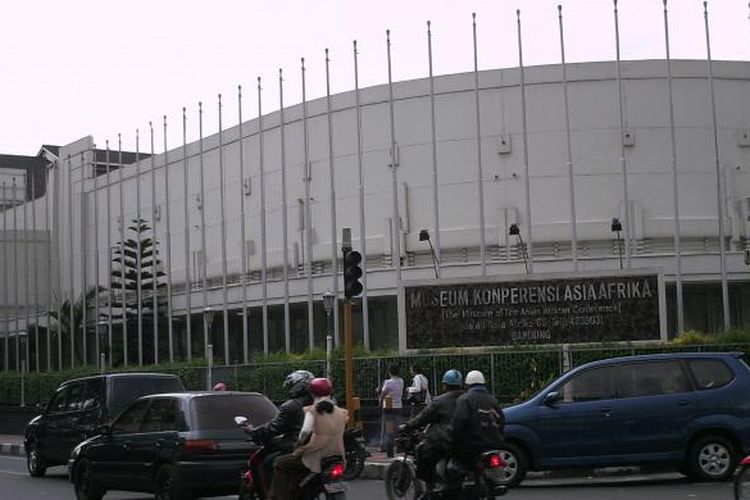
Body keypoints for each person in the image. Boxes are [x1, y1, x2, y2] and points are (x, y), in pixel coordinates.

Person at [269, 377, 348, 500]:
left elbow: (305, 431)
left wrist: (299, 443)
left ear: (312, 393)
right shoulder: (341, 412)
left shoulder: (312, 410)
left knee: (279, 463)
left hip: (316, 454)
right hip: (338, 454)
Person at [241, 369, 314, 483]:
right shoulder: (324, 403)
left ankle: (275, 494)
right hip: (320, 447)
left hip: (295, 446)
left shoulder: (291, 406)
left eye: (291, 385)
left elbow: (274, 428)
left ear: (298, 385)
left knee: (268, 462)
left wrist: (254, 432)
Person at [399, 369, 464, 488]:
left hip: (445, 440)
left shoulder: (440, 401)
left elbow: (423, 418)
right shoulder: (467, 398)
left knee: (423, 451)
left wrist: (407, 426)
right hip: (465, 440)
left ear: (445, 385)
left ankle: (430, 485)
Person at [450, 370, 504, 468]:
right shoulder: (493, 400)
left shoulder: (464, 399)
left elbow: (459, 423)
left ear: (467, 384)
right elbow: (501, 422)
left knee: (455, 469)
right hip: (494, 445)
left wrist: (453, 439)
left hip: (473, 447)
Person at [378, 364, 405, 457]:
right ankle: (399, 447)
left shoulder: (388, 382)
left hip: (388, 408)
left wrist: (380, 402)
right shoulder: (401, 381)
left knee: (389, 430)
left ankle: (389, 451)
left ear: (390, 372)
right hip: (398, 406)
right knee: (398, 428)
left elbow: (383, 393)